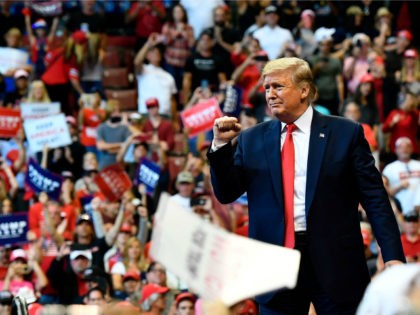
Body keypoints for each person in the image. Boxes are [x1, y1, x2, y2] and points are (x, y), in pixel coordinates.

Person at [208, 57, 405, 314]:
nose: (270, 94)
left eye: (278, 86)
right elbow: (226, 194)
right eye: (267, 88)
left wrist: (392, 256)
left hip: (336, 262)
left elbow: (375, 199)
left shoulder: (346, 133)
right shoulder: (250, 139)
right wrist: (220, 148)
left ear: (304, 90)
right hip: (274, 268)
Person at [382, 137, 420, 215]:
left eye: (407, 146)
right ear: (395, 150)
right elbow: (383, 191)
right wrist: (399, 187)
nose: (404, 149)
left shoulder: (418, 165)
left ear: (412, 149)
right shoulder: (389, 168)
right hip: (400, 212)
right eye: (401, 147)